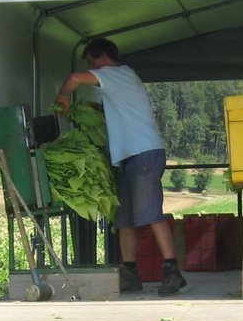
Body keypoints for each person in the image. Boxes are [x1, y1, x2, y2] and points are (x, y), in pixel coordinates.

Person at [54, 37, 187, 297]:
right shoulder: (121, 82)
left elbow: (74, 78)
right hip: (129, 157)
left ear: (102, 57)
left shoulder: (116, 74)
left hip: (143, 154)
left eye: (92, 63)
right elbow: (115, 110)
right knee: (124, 220)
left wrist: (61, 97)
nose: (92, 69)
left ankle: (173, 272)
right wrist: (90, 108)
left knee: (151, 214)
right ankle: (129, 273)